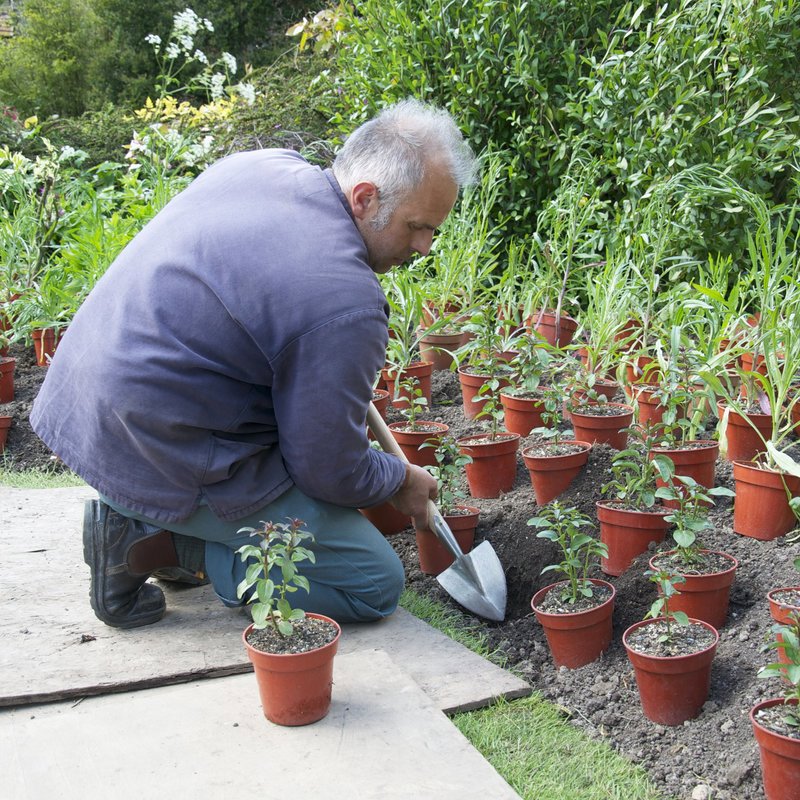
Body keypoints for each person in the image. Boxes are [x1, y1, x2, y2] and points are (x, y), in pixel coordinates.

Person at [30, 98, 477, 629]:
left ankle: (145, 515)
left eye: (434, 231)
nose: (425, 247)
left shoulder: (262, 166)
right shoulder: (343, 301)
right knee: (370, 580)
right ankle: (150, 545)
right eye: (417, 226)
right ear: (364, 197)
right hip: (155, 445)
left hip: (89, 407)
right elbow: (330, 470)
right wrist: (396, 478)